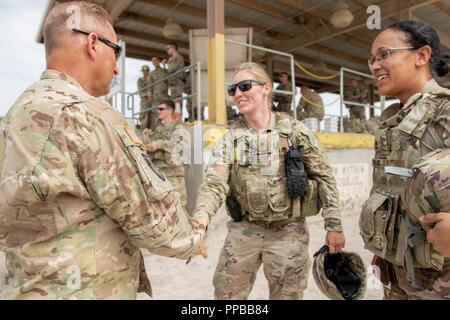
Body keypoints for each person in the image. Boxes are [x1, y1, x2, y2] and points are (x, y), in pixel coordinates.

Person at [0, 1, 207, 300]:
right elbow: (153, 222)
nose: (116, 66)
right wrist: (193, 238)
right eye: (116, 51)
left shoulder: (13, 117)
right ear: (93, 44)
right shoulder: (87, 115)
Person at [194, 62, 345, 300]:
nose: (238, 94)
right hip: (244, 230)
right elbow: (214, 183)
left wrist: (334, 226)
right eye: (232, 90)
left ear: (266, 88)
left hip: (289, 232)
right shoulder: (230, 139)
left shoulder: (295, 131)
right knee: (227, 296)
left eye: (244, 86)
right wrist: (201, 220)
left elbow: (324, 177)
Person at [361, 20, 450, 300]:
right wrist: (385, 252)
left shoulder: (445, 112)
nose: (375, 66)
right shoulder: (391, 121)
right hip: (397, 275)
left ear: (422, 56)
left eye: (385, 55)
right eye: (372, 59)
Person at [142, 99, 189, 209]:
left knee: (179, 209)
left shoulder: (178, 126)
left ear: (170, 110)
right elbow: (148, 145)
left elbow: (180, 145)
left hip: (173, 176)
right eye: (157, 109)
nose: (158, 111)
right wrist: (146, 136)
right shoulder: (159, 129)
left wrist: (159, 144)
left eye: (161, 109)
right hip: (158, 175)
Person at [164, 43, 185, 115]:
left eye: (168, 48)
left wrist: (168, 62)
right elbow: (168, 72)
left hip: (177, 82)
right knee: (175, 103)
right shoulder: (172, 59)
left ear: (173, 48)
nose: (167, 51)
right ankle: (176, 119)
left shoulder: (178, 57)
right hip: (173, 83)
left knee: (177, 102)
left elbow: (171, 69)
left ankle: (178, 120)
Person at [148, 56, 169, 130]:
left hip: (164, 96)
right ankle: (157, 130)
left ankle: (166, 129)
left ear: (159, 61)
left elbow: (169, 79)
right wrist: (150, 96)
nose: (154, 62)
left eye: (156, 60)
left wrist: (164, 65)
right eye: (153, 61)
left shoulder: (164, 71)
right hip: (155, 97)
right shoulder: (151, 73)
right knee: (156, 114)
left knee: (165, 112)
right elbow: (150, 86)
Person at [137, 65, 152, 130]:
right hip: (144, 100)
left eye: (146, 71)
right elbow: (140, 91)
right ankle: (143, 130)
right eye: (144, 71)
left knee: (152, 115)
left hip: (153, 100)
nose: (145, 72)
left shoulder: (151, 79)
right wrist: (147, 94)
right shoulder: (140, 80)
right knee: (144, 115)